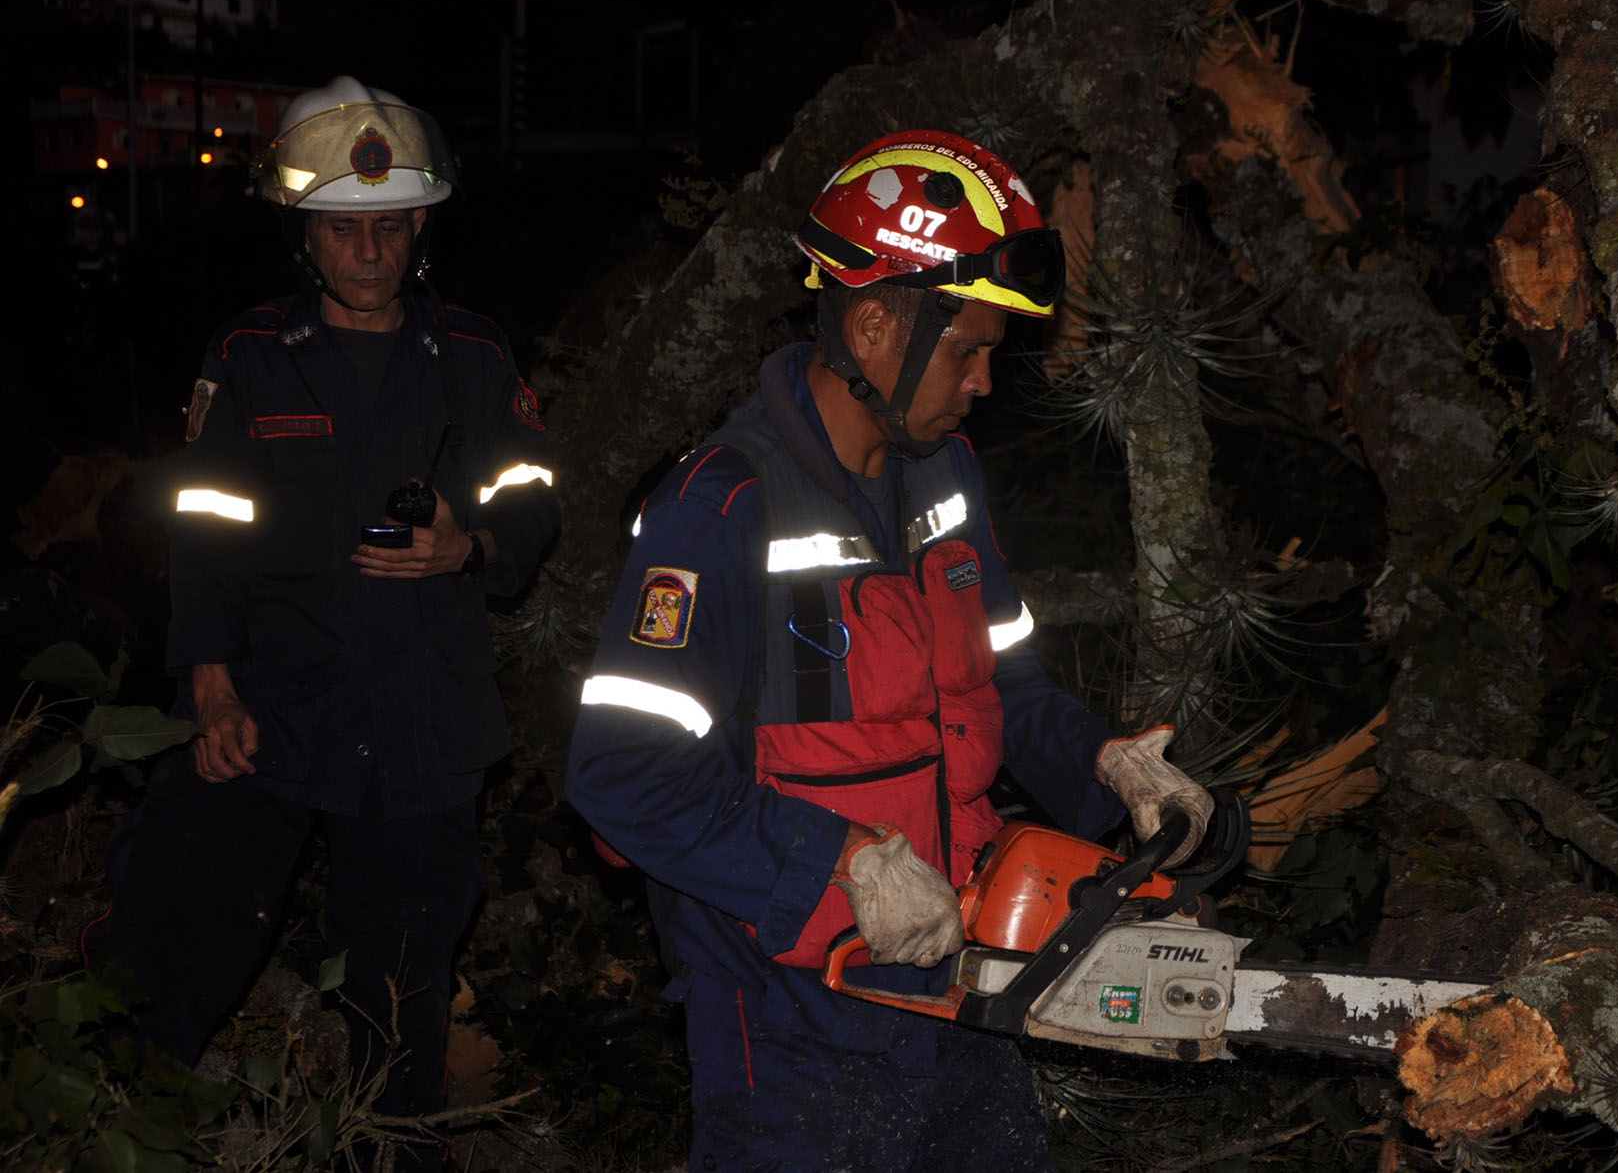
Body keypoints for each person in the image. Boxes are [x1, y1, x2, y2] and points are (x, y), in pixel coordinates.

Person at [564, 129, 1213, 1171]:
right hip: (792, 1012)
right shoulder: (720, 508)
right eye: (967, 349)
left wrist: (1104, 765)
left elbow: (1005, 683)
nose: (986, 382)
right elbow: (621, 774)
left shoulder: (944, 479)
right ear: (874, 324)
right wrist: (842, 860)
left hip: (960, 978)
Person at [85, 76, 559, 1170]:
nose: (372, 247)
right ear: (307, 230)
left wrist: (472, 542)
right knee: (182, 934)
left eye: (391, 224)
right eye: (348, 226)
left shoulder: (477, 357)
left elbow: (535, 491)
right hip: (266, 704)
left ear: (421, 225)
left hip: (420, 720)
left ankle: (390, 1150)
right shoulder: (249, 355)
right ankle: (110, 1124)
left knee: (404, 990)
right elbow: (203, 526)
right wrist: (206, 678)